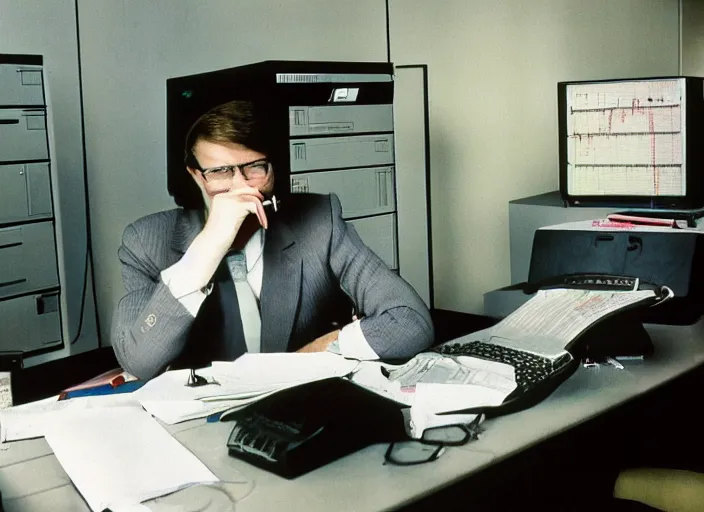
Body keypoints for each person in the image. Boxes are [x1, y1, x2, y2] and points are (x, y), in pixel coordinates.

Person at [111, 100, 434, 380]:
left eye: (254, 168)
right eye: (220, 171)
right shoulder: (147, 240)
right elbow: (141, 362)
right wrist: (207, 248)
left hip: (292, 405)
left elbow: (411, 322)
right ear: (196, 175)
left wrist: (320, 349)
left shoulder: (319, 221)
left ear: (274, 168)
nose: (241, 187)